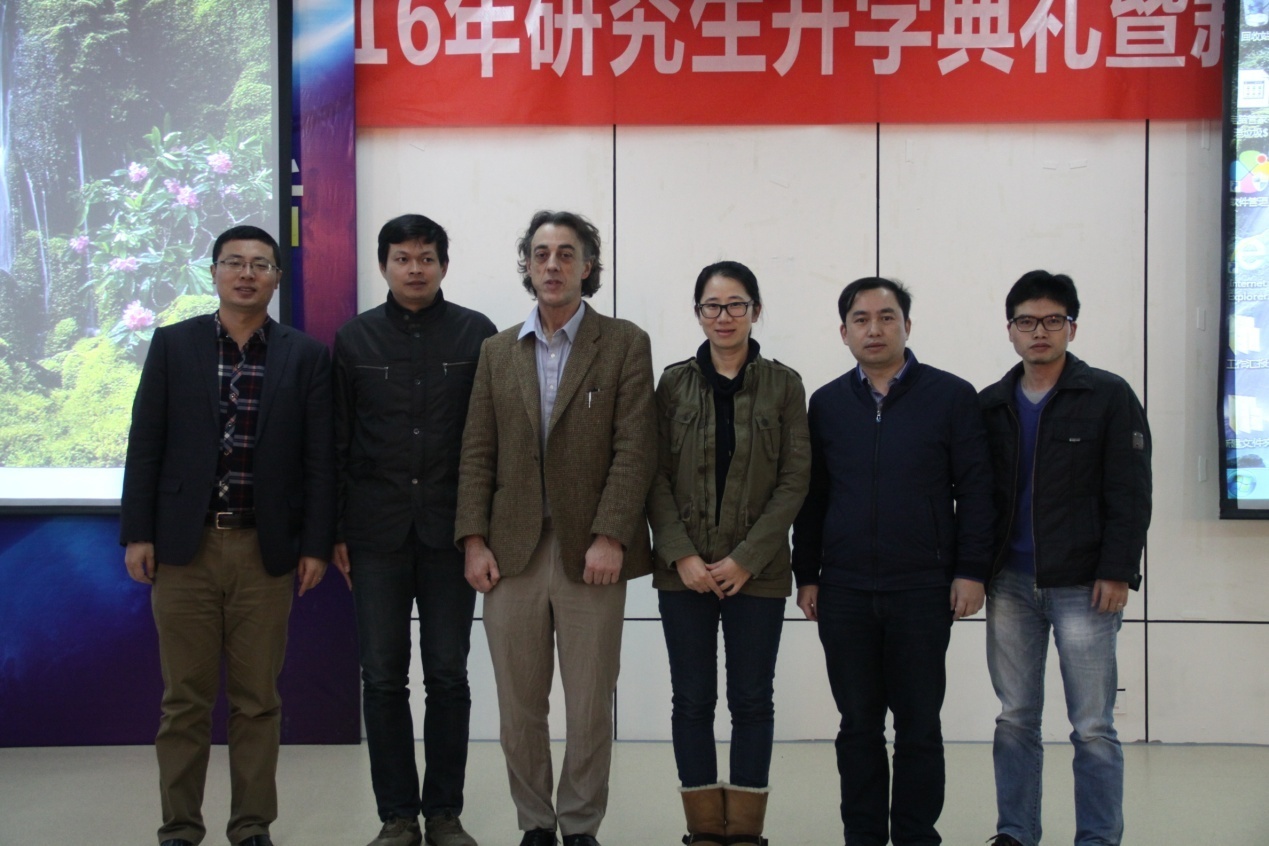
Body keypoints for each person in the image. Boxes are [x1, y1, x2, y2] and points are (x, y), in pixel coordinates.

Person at [119, 225, 335, 846]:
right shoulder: (173, 344)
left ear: (276, 278)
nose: (246, 273)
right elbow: (146, 442)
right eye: (234, 262)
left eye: (260, 265)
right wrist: (137, 533)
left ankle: (251, 826)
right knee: (184, 701)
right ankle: (180, 828)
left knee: (257, 699)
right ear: (214, 272)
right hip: (182, 550)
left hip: (263, 551)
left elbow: (320, 459)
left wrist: (315, 544)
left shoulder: (305, 355)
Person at [454, 210, 656, 846]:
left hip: (590, 551)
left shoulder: (623, 342)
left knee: (590, 703)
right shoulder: (497, 351)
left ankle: (581, 824)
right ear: (527, 265)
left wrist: (612, 535)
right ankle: (536, 822)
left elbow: (635, 448)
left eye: (566, 254)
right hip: (510, 552)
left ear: (587, 267)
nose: (552, 265)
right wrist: (473, 541)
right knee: (520, 705)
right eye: (540, 254)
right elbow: (477, 451)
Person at [791, 277, 993, 846]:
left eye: (887, 317)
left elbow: (977, 490)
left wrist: (971, 570)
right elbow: (813, 496)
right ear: (844, 332)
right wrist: (807, 574)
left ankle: (915, 836)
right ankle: (862, 835)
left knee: (919, 726)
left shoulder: (951, 396)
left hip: (923, 588)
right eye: (861, 319)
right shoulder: (827, 403)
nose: (874, 329)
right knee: (857, 725)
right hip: (845, 590)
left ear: (908, 325)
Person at [333, 214, 497, 846]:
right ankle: (397, 816)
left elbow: (492, 439)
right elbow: (338, 441)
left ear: (444, 265)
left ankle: (445, 813)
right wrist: (336, 530)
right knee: (382, 677)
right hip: (375, 534)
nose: (415, 268)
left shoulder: (477, 334)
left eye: (426, 258)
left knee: (448, 676)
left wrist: (481, 529)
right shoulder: (354, 339)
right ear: (384, 266)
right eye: (402, 258)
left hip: (452, 533)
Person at [978, 271, 1151, 846]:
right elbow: (976, 497)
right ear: (1010, 330)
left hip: (1085, 585)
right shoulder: (991, 404)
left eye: (1053, 320)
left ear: (1071, 328)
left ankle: (1097, 837)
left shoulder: (1108, 396)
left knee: (1093, 725)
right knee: (1014, 718)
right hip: (1010, 583)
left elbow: (1130, 492)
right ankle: (1016, 831)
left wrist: (1118, 570)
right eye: (1026, 321)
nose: (1040, 332)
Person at [646, 261, 810, 846]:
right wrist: (681, 555)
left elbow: (795, 479)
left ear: (755, 311)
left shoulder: (784, 385)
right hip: (684, 573)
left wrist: (747, 557)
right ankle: (702, 832)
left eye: (736, 304)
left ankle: (744, 832)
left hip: (757, 575)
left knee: (752, 700)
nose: (724, 316)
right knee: (692, 700)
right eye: (712, 306)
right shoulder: (672, 384)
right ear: (698, 313)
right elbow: (654, 476)